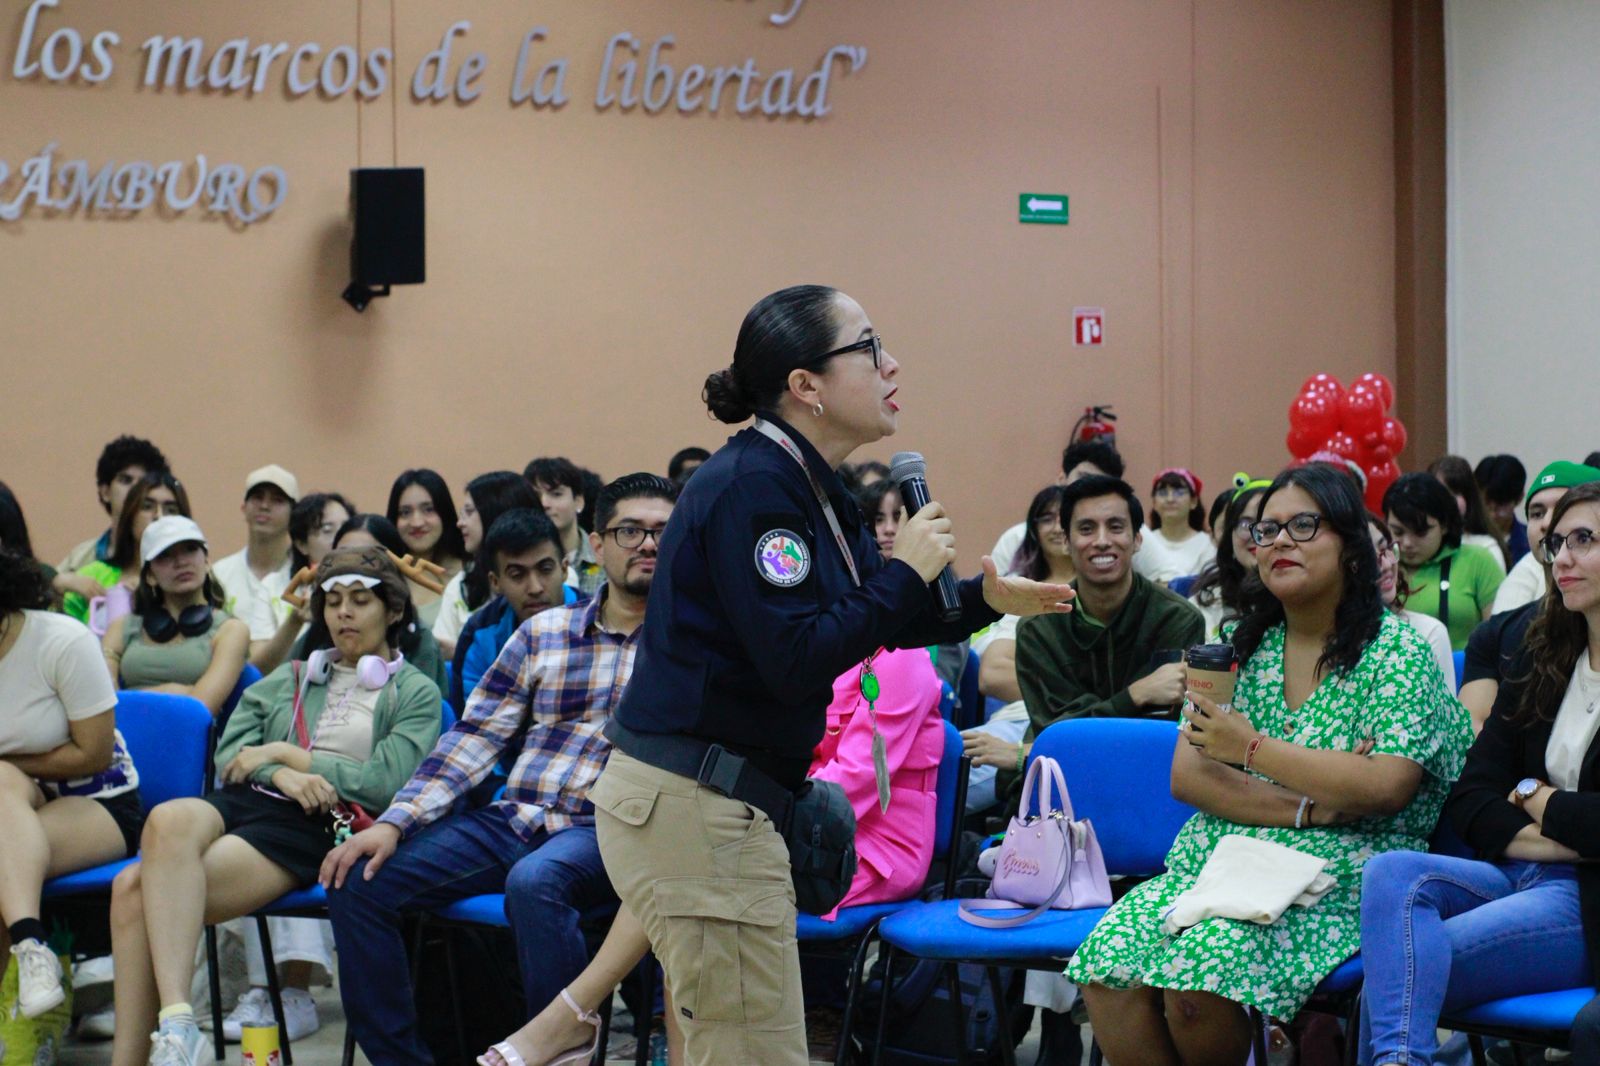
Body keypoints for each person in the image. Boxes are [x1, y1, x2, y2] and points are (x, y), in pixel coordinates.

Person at [589, 284, 1073, 1064]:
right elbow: (799, 659)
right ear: (805, 386)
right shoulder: (755, 488)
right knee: (751, 1050)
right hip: (698, 802)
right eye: (869, 347)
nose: (892, 365)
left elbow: (871, 617)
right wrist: (908, 569)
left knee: (747, 1044)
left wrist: (984, 599)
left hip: (723, 800)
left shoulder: (812, 484)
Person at [1071, 464, 1470, 1066]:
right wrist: (1313, 802)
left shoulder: (1396, 651)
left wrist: (1250, 751)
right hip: (1223, 862)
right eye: (1266, 530)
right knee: (1106, 969)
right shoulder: (1239, 649)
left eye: (1304, 526)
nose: (1279, 541)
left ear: (1352, 548)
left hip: (1335, 877)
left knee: (1197, 984)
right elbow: (1192, 776)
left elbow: (1385, 785)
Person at [316, 474, 674, 1066]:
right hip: (514, 819)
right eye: (630, 530)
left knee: (536, 882)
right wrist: (396, 823)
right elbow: (474, 738)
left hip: (608, 832)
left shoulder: (692, 644)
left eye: (664, 532)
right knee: (359, 878)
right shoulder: (543, 634)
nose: (648, 545)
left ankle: (555, 1051)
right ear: (595, 543)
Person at [107, 547, 440, 1066]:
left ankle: (146, 1052)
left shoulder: (414, 691)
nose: (343, 614)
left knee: (132, 888)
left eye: (360, 601)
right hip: (250, 798)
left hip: (315, 823)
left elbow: (383, 783)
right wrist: (279, 770)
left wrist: (291, 755)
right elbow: (229, 755)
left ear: (393, 610)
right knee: (166, 817)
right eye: (333, 602)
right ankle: (177, 1020)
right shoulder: (293, 676)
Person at [1357, 479, 1600, 1066]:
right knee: (1392, 874)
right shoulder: (1546, 656)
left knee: (1392, 985)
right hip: (1518, 872)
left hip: (1586, 900)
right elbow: (1470, 795)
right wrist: (1549, 814)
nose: (1561, 555)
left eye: (1585, 540)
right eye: (1557, 541)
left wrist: (1535, 800)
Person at [965, 475, 1206, 811]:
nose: (1102, 541)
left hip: (1149, 783)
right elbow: (1059, 737)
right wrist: (1136, 695)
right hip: (1062, 783)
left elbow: (1160, 737)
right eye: (1087, 529)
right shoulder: (1039, 628)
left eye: (1116, 527)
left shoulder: (1177, 619)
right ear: (1066, 541)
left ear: (1137, 539)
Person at [0, 547, 145, 1020]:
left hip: (98, 799)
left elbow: (94, 752)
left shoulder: (60, 640)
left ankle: (28, 942)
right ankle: (31, 949)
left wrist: (10, 760)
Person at [1463, 462, 1600, 734]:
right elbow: (1478, 738)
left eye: (1563, 508)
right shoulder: (1503, 637)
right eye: (1536, 513)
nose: (1548, 523)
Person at [961, 484, 1074, 814]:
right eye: (1046, 518)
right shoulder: (1026, 593)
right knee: (945, 763)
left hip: (1080, 730)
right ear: (1034, 531)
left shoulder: (1127, 599)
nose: (1056, 527)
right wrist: (1082, 687)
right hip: (1017, 718)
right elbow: (993, 674)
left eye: (1066, 518)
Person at [102, 517, 250, 718]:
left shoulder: (232, 630)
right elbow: (101, 702)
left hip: (189, 742)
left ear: (206, 561)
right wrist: (175, 691)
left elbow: (199, 709)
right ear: (149, 576)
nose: (181, 562)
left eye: (190, 549)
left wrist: (129, 698)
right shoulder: (122, 627)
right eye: (165, 555)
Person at [449, 508, 572, 711]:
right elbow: (474, 725)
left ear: (565, 569)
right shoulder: (479, 635)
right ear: (495, 582)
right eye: (517, 575)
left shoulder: (601, 619)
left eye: (545, 569)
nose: (535, 588)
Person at [1384, 472, 1504, 651]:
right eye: (1398, 532)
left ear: (1445, 525)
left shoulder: (1478, 561)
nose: (1407, 543)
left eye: (1420, 532)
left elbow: (1500, 638)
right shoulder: (1381, 566)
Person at [432, 472, 541, 661]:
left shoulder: (560, 576)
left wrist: (465, 651)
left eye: (469, 512)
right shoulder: (461, 584)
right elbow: (441, 650)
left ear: (494, 511)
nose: (460, 523)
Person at [61, 471, 189, 625]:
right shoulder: (94, 575)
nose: (159, 516)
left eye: (171, 510)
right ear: (130, 516)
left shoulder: (191, 575)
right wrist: (59, 582)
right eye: (147, 506)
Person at [989, 439, 1125, 575]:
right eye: (1084, 479)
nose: (1091, 489)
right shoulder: (1016, 539)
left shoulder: (1127, 534)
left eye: (1103, 486)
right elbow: (993, 591)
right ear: (1062, 479)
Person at [211, 465, 300, 670]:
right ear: (244, 507)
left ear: (294, 513)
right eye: (257, 497)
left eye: (277, 500)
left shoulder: (304, 577)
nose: (265, 506)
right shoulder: (218, 574)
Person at [56, 435, 170, 580]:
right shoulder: (79, 560)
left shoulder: (179, 556)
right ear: (105, 492)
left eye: (143, 482)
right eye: (126, 480)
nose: (135, 489)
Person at [1368, 513, 1455, 690]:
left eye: (1386, 549)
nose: (1385, 565)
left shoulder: (1426, 633)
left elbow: (1442, 717)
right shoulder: (1317, 637)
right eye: (1369, 557)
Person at [1188, 481, 1269, 640]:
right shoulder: (1205, 603)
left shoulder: (1301, 600)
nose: (1257, 534)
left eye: (1269, 524)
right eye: (1246, 524)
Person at [385, 469, 467, 627]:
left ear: (444, 513)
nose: (417, 522)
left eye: (428, 509)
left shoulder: (472, 571)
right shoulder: (387, 577)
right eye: (405, 512)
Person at [525, 457, 602, 597]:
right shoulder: (521, 558)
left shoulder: (603, 556)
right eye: (536, 496)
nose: (544, 503)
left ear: (578, 502)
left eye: (556, 494)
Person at [1134, 468, 1217, 585]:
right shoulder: (1143, 541)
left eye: (1179, 492)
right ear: (1154, 503)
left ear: (1193, 501)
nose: (1170, 499)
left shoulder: (1208, 544)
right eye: (1163, 493)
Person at [1429, 455, 1509, 572]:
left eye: (1455, 493)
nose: (1448, 501)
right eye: (1440, 494)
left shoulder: (1486, 549)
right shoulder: (1420, 547)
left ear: (1469, 499)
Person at [1475, 454, 1529, 564]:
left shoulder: (1531, 545)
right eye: (1485, 504)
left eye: (1500, 506)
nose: (1491, 514)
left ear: (1519, 498)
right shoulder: (1462, 541)